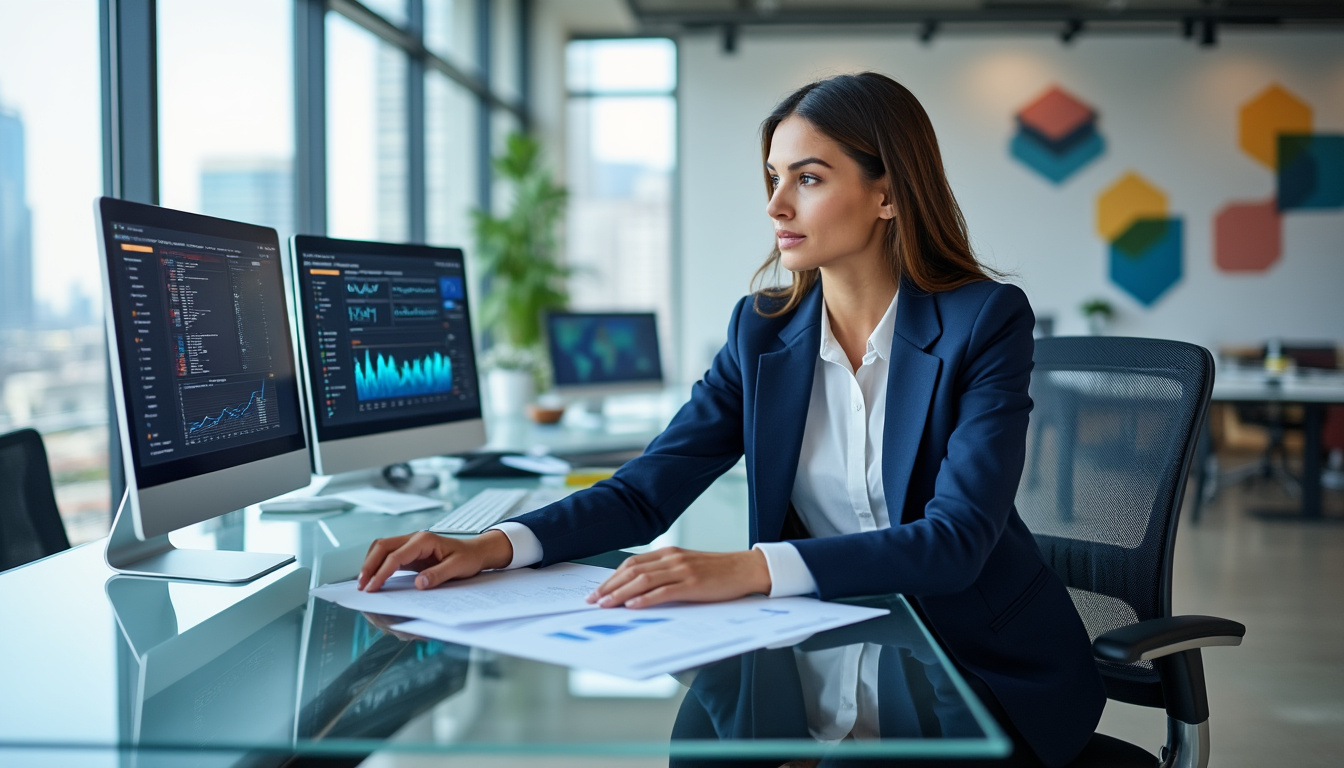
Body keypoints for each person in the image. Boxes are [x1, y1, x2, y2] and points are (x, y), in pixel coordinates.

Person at [359, 72, 1105, 767]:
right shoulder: (762, 331)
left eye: (808, 179)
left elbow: (956, 543)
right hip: (818, 638)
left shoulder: (982, 320)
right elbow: (646, 490)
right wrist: (493, 545)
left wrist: (746, 570)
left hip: (970, 664)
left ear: (888, 194)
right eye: (774, 179)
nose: (777, 206)